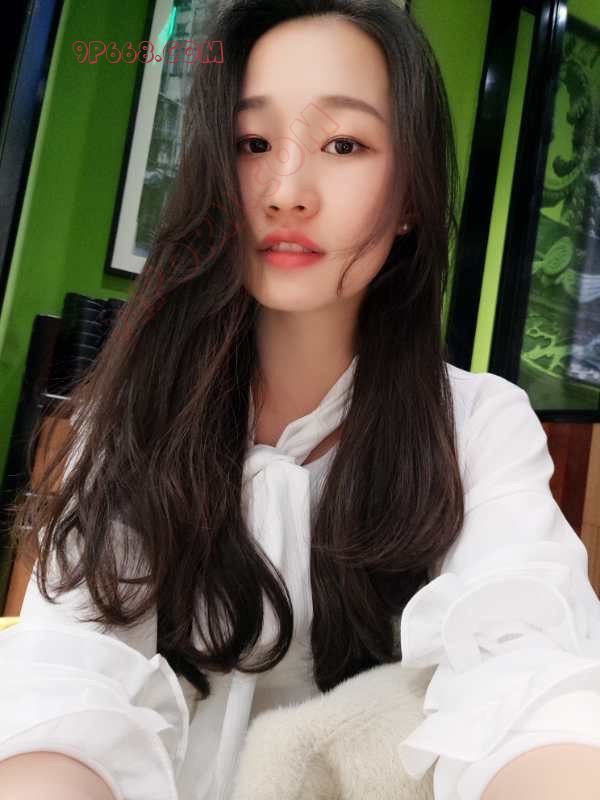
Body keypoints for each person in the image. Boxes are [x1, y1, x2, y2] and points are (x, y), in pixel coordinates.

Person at [1, 1, 600, 798]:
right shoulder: (131, 420)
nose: (286, 191)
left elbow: (522, 671)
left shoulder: (475, 424)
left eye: (344, 144)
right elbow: (70, 684)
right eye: (252, 144)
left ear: (412, 194)